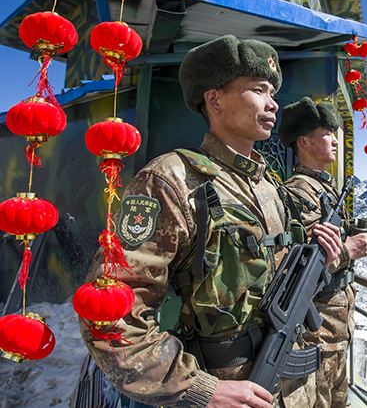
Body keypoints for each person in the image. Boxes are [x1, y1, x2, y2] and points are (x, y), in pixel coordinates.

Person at [78, 35, 343, 408]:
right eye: (258, 90)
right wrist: (198, 388)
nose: (272, 104)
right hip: (227, 389)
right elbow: (108, 314)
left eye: (273, 92)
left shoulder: (271, 187)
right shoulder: (172, 180)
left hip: (292, 386)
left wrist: (325, 259)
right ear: (214, 99)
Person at [277, 97, 367, 408]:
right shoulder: (298, 192)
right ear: (304, 141)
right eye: (327, 134)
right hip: (316, 331)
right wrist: (348, 251)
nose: (335, 140)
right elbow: (297, 266)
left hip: (336, 328)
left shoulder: (325, 189)